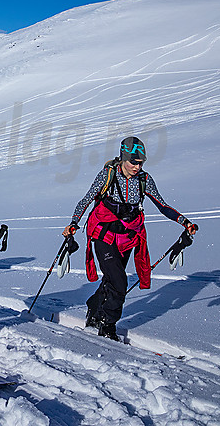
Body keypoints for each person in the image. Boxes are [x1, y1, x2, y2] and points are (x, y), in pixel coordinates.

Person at [62, 136, 197, 341]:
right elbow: (86, 199)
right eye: (133, 161)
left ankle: (94, 307)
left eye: (141, 162)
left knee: (111, 280)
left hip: (127, 238)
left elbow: (162, 205)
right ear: (123, 157)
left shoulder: (144, 180)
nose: (137, 166)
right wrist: (73, 223)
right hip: (103, 234)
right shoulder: (107, 175)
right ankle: (108, 326)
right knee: (119, 280)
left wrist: (184, 221)